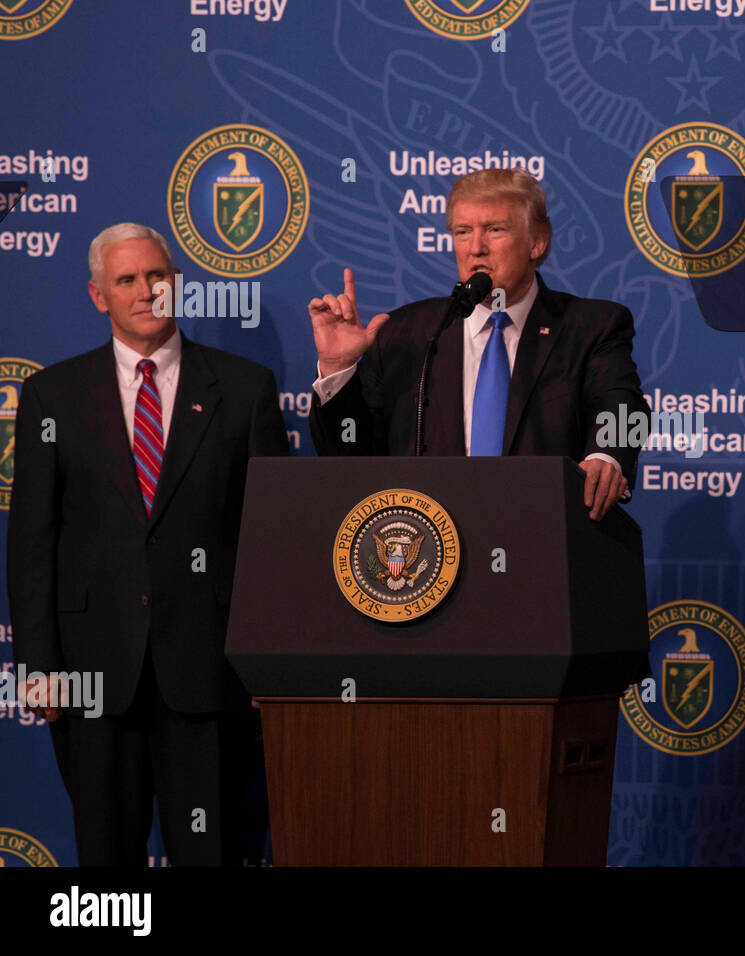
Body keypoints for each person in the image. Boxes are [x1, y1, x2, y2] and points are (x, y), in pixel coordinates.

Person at [7, 223, 290, 865]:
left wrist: (266, 659)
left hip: (211, 670)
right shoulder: (53, 394)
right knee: (105, 858)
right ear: (97, 296)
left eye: (157, 276)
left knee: (211, 849)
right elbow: (32, 539)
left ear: (178, 285)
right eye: (127, 280)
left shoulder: (245, 390)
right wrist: (40, 665)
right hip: (90, 671)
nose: (145, 291)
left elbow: (269, 541)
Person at [307, 168, 648, 519]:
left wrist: (605, 455)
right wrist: (338, 369)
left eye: (495, 230)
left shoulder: (590, 326)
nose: (476, 248)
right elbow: (348, 455)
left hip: (545, 535)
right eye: (463, 232)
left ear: (537, 241)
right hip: (428, 551)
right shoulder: (404, 334)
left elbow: (622, 403)